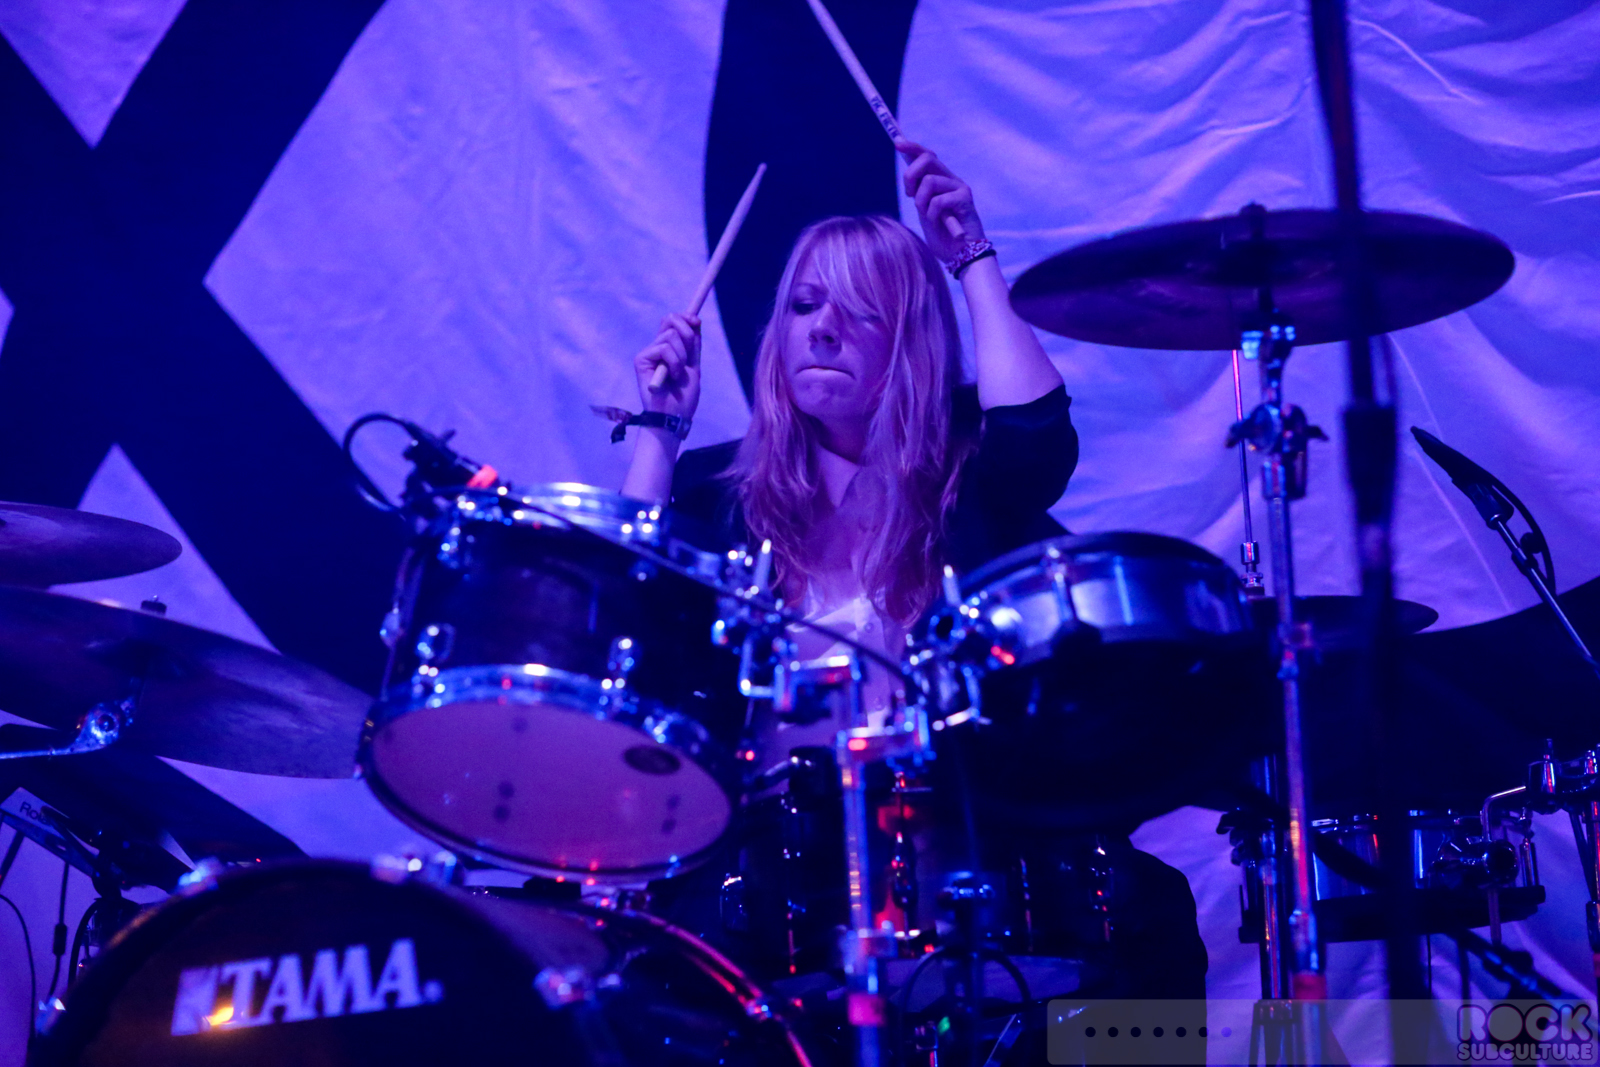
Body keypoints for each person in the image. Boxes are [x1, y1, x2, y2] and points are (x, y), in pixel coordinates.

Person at [618, 143, 1206, 1041]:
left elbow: (1037, 435)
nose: (821, 330)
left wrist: (970, 255)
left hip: (973, 844)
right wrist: (657, 433)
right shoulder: (719, 498)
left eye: (859, 312)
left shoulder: (969, 476)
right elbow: (630, 604)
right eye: (804, 306)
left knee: (1145, 919)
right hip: (775, 876)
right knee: (652, 979)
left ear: (910, 340)